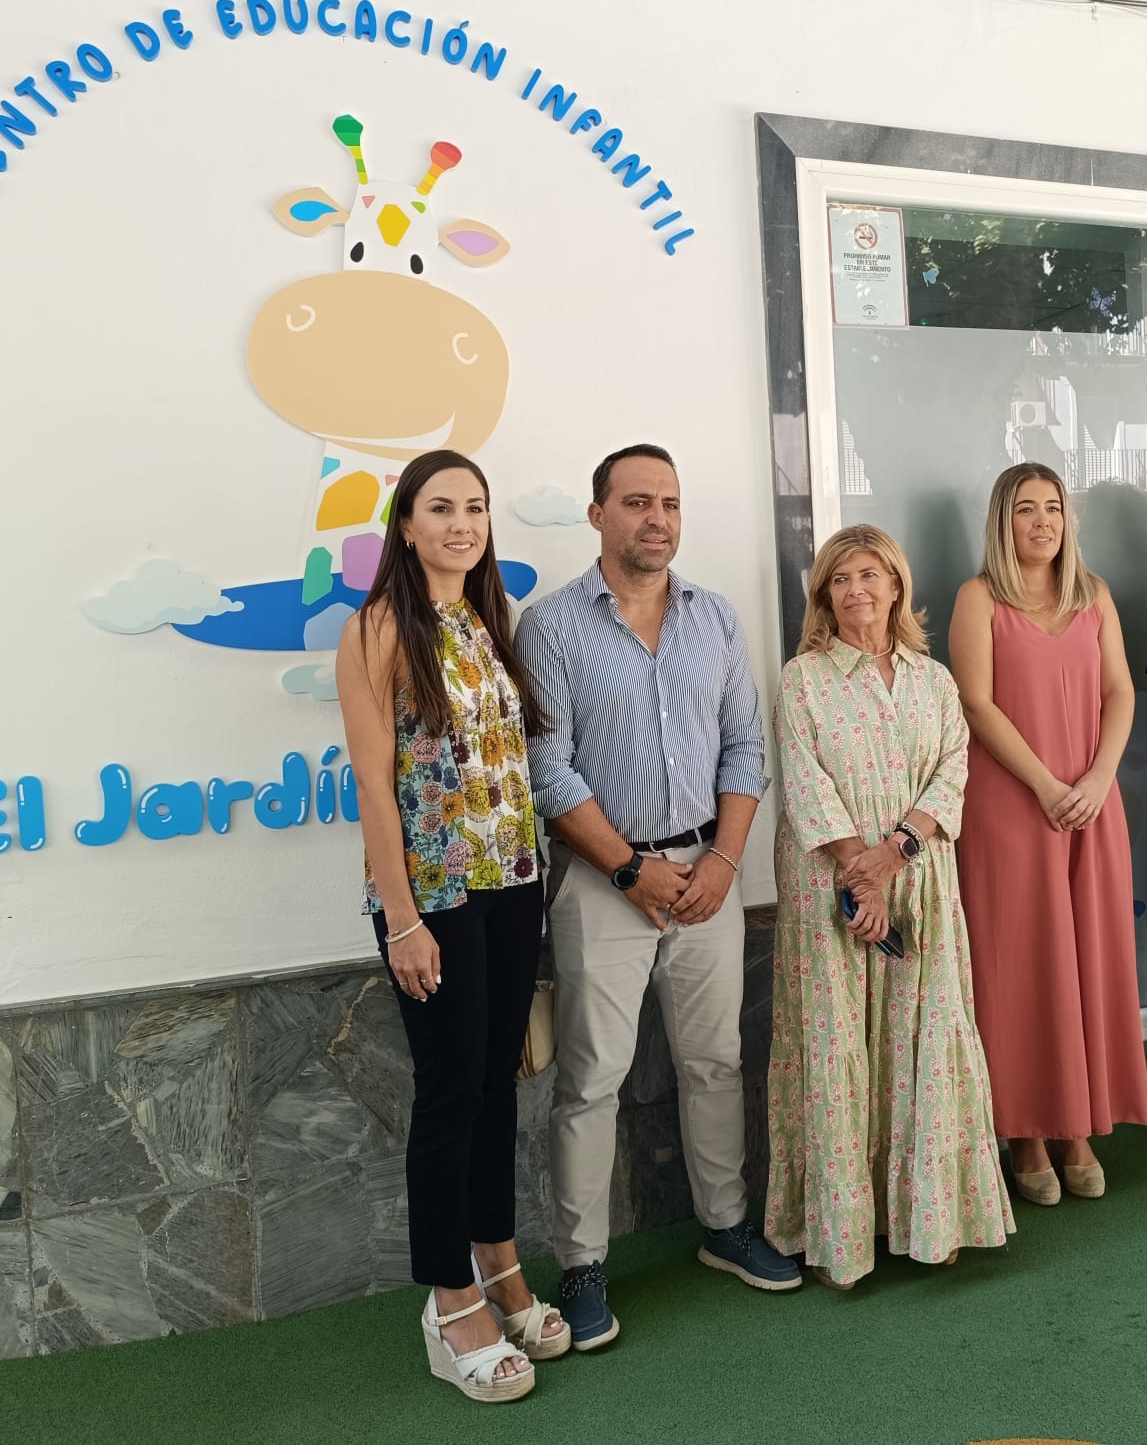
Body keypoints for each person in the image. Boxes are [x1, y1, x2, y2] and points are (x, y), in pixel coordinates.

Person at [515, 444, 799, 1352]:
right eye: (637, 501)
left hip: (707, 879)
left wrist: (722, 862)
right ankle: (584, 1265)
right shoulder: (551, 627)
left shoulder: (715, 619)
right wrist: (632, 871)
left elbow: (745, 751)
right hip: (606, 887)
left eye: (670, 502)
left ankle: (725, 1227)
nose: (658, 519)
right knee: (592, 1081)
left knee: (714, 1061)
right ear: (597, 515)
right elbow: (545, 769)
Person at [336, 448, 569, 1405]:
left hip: (511, 881)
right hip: (434, 895)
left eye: (474, 507)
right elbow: (376, 785)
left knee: (494, 1085)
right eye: (441, 508)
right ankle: (449, 1301)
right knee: (448, 1098)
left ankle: (502, 1266)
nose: (462, 523)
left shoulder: (483, 618)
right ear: (406, 524)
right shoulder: (379, 628)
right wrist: (402, 919)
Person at [765, 525, 1013, 1288]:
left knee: (923, 1043)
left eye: (869, 575)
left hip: (919, 877)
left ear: (896, 586)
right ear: (823, 595)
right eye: (839, 580)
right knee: (838, 1045)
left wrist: (892, 857)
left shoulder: (934, 680)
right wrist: (857, 876)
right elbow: (804, 783)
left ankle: (928, 1222)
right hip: (829, 885)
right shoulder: (801, 679)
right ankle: (843, 1237)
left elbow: (952, 772)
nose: (856, 592)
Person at [951, 464, 1147, 1205]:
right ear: (1003, 521)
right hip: (1012, 805)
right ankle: (1026, 1132)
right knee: (1022, 962)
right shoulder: (980, 598)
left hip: (1093, 804)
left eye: (1054, 509)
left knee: (1089, 958)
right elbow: (974, 703)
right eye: (1026, 510)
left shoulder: (1093, 595)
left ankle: (1078, 1127)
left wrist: (1100, 778)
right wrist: (1045, 784)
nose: (1042, 522)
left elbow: (1120, 691)